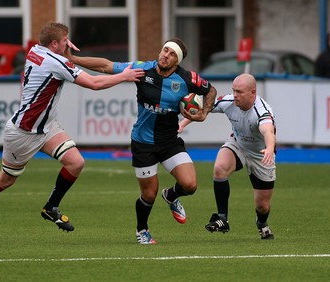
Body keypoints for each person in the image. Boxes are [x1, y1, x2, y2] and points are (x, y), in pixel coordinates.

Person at [0, 21, 144, 241]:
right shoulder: (55, 62)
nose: (68, 44)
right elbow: (94, 84)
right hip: (23, 133)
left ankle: (51, 207)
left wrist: (62, 45)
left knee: (76, 162)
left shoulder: (35, 50)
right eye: (65, 41)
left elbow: (51, 44)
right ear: (55, 44)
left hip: (45, 127)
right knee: (6, 179)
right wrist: (123, 77)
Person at [65, 38, 217, 244]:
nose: (165, 55)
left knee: (190, 185)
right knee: (149, 194)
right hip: (143, 143)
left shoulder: (187, 78)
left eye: (172, 54)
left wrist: (204, 113)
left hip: (170, 142)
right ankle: (142, 230)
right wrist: (72, 59)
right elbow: (106, 65)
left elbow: (210, 91)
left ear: (177, 61)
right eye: (165, 50)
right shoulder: (142, 69)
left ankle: (171, 196)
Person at [179, 73, 276, 239]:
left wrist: (269, 148)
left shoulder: (262, 111)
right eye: (234, 90)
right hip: (238, 144)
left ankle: (262, 224)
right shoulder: (229, 101)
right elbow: (204, 108)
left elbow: (268, 131)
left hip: (261, 154)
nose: (235, 95)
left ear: (253, 92)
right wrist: (182, 124)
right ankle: (222, 218)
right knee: (219, 168)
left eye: (239, 92)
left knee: (262, 206)